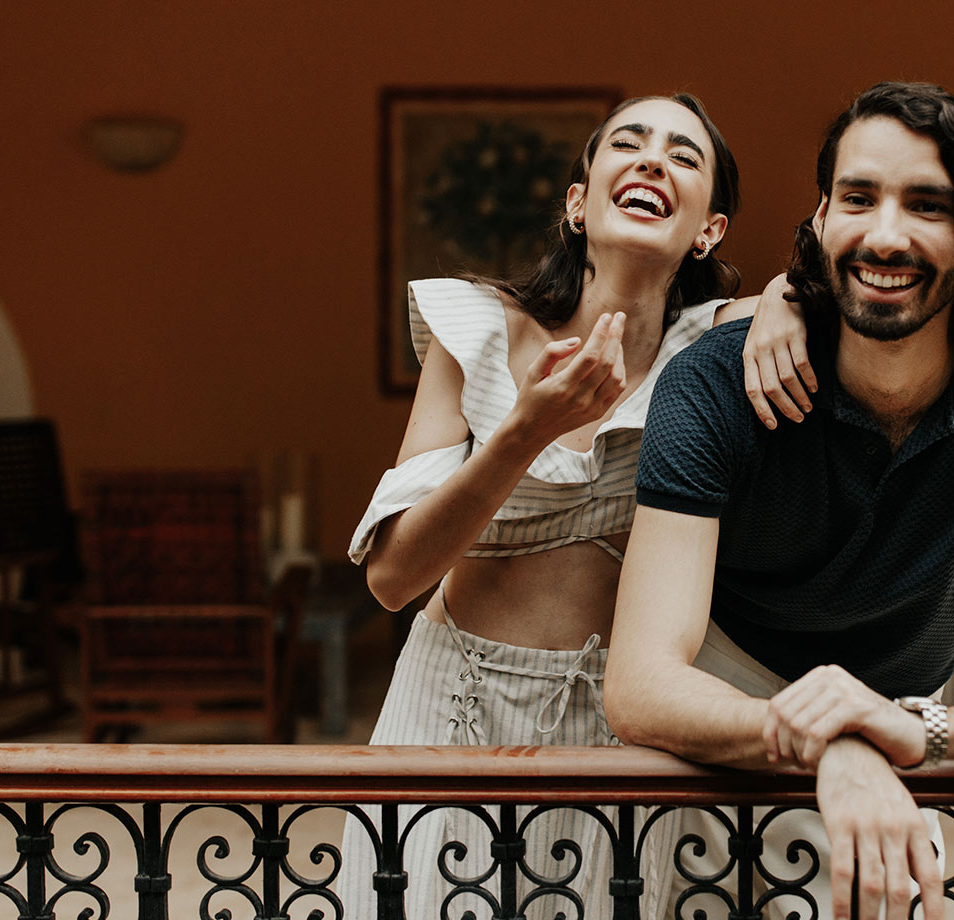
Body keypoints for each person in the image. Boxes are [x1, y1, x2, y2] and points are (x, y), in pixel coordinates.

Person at [604, 81, 954, 920]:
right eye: (859, 198)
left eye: (926, 205)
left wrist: (917, 731)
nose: (884, 234)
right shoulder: (715, 382)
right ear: (821, 221)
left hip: (908, 704)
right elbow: (642, 682)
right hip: (719, 711)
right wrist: (832, 739)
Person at [334, 93, 811, 919]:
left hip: (621, 726)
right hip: (453, 706)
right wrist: (524, 429)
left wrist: (785, 298)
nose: (653, 159)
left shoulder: (713, 350)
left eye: (684, 157)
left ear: (709, 230)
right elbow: (391, 577)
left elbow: (839, 291)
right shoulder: (478, 329)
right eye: (628, 143)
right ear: (577, 201)